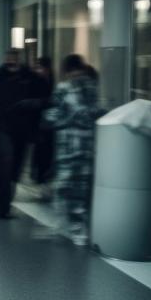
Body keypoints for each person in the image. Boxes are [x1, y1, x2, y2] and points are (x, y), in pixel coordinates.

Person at [42, 54, 103, 245]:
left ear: (66, 70)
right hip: (87, 148)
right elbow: (96, 113)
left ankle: (59, 226)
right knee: (81, 190)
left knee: (63, 186)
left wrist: (48, 117)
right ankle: (80, 231)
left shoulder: (63, 88)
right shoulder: (93, 88)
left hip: (68, 147)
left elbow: (55, 116)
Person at [0, 48, 36, 219]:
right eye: (8, 57)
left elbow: (39, 96)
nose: (10, 61)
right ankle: (4, 208)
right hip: (3, 129)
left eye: (13, 58)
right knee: (6, 167)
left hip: (22, 130)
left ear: (18, 59)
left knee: (15, 170)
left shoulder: (27, 75)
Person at [29, 56, 55, 192]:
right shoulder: (41, 80)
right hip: (41, 122)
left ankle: (41, 177)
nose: (41, 70)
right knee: (41, 150)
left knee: (44, 151)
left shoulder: (48, 80)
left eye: (42, 67)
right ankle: (39, 177)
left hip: (46, 122)